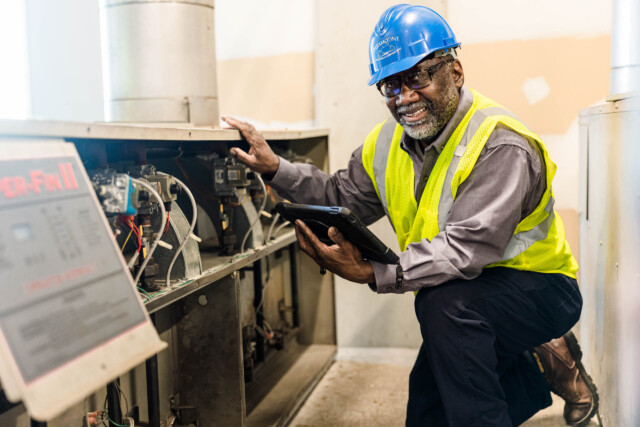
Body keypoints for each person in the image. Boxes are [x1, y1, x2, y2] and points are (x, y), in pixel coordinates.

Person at [223, 4, 599, 426]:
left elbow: (462, 250)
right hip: (468, 291)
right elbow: (340, 195)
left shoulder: (500, 145)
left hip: (541, 290)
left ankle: (548, 347)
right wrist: (275, 167)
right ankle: (547, 362)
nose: (404, 98)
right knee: (428, 410)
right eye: (390, 84)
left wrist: (373, 272)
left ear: (455, 72)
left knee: (443, 308)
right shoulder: (386, 142)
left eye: (417, 76)